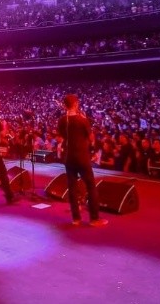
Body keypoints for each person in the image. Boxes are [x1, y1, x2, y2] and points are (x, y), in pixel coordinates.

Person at [57, 93, 107, 226]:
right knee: (91, 186)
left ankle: (76, 219)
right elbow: (91, 138)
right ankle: (94, 219)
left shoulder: (62, 120)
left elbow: (60, 137)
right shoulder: (82, 120)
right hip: (82, 157)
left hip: (69, 157)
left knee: (72, 187)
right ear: (75, 104)